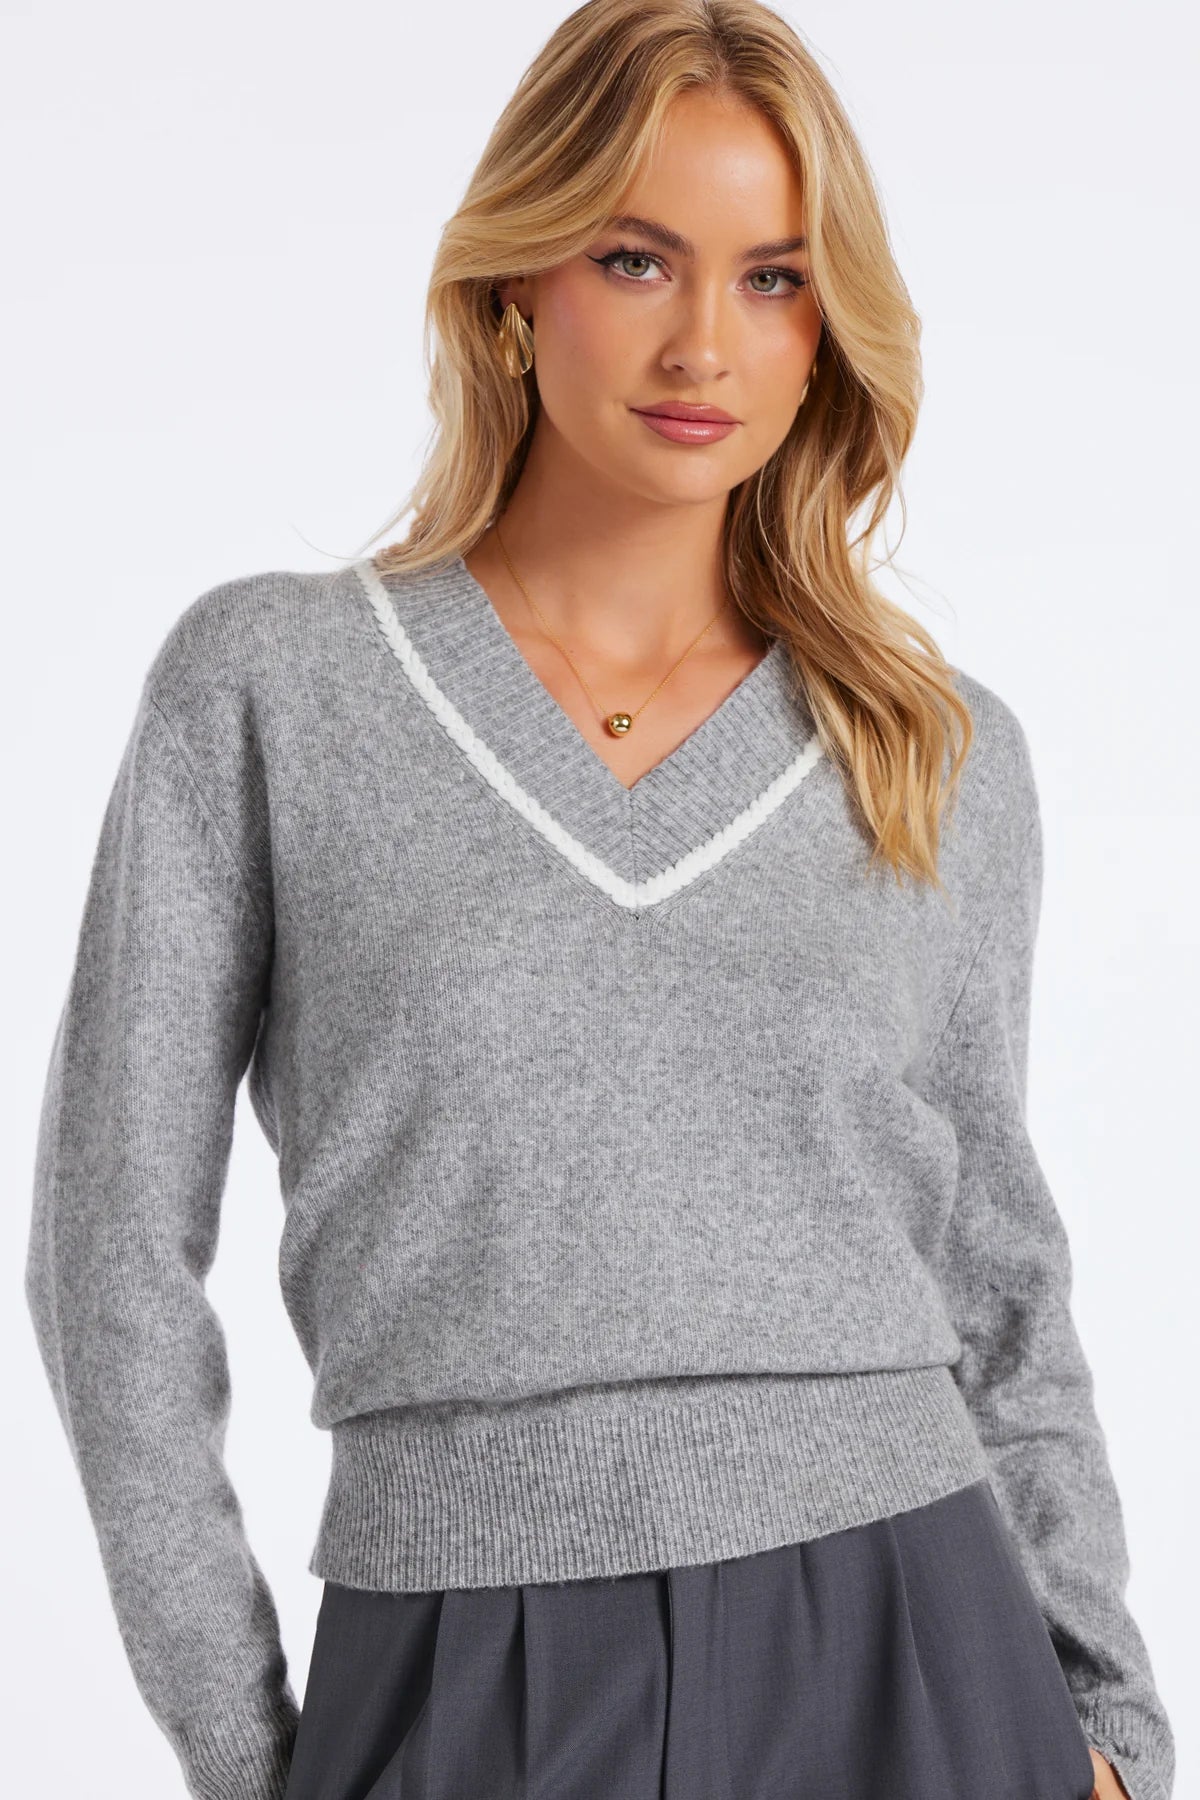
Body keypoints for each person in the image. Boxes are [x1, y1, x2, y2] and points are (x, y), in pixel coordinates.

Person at [24, 2, 1175, 1798]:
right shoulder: (272, 690)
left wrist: (1110, 1727)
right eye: (637, 259)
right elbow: (107, 1255)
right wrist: (249, 1759)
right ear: (516, 280)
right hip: (460, 1650)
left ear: (827, 335)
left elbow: (998, 1271)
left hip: (918, 1648)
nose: (705, 341)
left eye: (775, 280)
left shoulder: (933, 749)